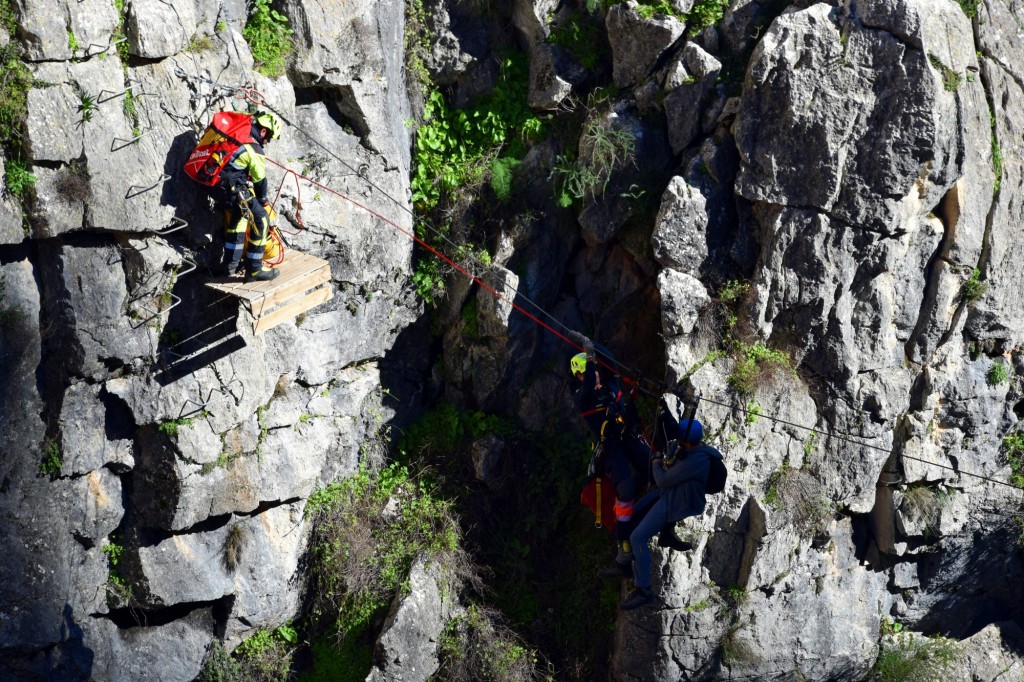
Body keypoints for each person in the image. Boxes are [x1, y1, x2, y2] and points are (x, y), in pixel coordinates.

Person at [619, 418, 720, 610]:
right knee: (632, 514)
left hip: (677, 502)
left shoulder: (697, 460)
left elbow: (663, 480)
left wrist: (657, 463)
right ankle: (663, 536)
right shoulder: (694, 449)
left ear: (687, 442)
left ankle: (644, 590)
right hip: (671, 493)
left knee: (637, 537)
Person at [214, 111, 283, 281]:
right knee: (262, 220)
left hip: (216, 186)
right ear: (263, 132)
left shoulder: (238, 134)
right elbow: (260, 181)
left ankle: (230, 267)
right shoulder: (255, 148)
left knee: (238, 219)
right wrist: (263, 201)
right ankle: (254, 270)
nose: (267, 142)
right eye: (269, 137)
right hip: (231, 188)